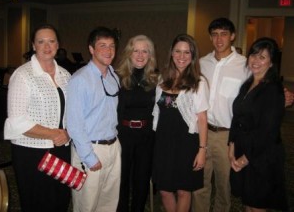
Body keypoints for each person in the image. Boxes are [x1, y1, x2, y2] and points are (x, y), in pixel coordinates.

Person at [192, 17, 294, 212]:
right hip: (202, 132)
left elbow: (265, 85)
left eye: (223, 34)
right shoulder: (201, 63)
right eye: (214, 34)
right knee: (199, 184)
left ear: (232, 36)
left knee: (225, 186)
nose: (219, 39)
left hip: (227, 135)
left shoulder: (245, 65)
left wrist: (284, 95)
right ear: (210, 37)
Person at [4, 24, 71, 212]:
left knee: (60, 200)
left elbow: (72, 113)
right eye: (41, 41)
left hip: (61, 148)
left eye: (51, 41)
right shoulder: (23, 75)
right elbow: (17, 120)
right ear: (33, 45)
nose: (47, 46)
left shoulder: (65, 75)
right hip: (32, 152)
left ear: (58, 45)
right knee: (38, 203)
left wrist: (67, 133)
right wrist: (54, 134)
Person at [228, 37, 288, 211]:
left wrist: (246, 158)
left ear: (271, 63)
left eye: (263, 57)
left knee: (259, 204)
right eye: (254, 55)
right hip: (243, 149)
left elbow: (268, 132)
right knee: (248, 202)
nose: (256, 61)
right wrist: (231, 146)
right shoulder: (247, 84)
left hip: (262, 156)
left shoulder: (273, 90)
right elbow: (237, 116)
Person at [66, 26, 121, 212]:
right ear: (91, 49)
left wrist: (116, 148)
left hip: (113, 147)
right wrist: (89, 157)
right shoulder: (80, 79)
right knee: (86, 205)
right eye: (102, 45)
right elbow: (74, 124)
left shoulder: (113, 76)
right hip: (90, 148)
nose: (108, 50)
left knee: (108, 203)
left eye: (112, 46)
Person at [152, 34, 209, 212]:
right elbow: (156, 112)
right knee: (164, 190)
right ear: (172, 53)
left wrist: (201, 150)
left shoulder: (199, 82)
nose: (181, 56)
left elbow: (202, 119)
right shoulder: (162, 80)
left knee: (184, 191)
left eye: (187, 52)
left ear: (193, 56)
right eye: (178, 51)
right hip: (162, 143)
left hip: (186, 144)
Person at [115, 35, 158, 212]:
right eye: (136, 50)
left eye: (145, 51)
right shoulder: (116, 77)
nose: (140, 55)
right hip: (123, 134)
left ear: (150, 55)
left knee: (141, 180)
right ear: (129, 53)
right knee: (121, 179)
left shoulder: (157, 80)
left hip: (146, 136)